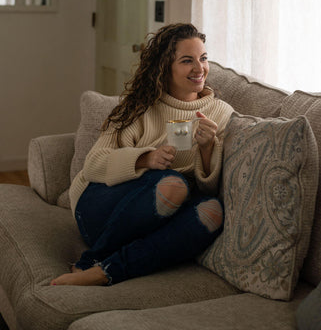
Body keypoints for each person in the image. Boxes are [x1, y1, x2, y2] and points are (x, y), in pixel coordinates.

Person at [50, 23, 234, 287]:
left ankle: (107, 271)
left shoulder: (220, 113)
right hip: (99, 208)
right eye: (187, 61)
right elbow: (92, 166)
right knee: (173, 184)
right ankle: (91, 260)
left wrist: (207, 149)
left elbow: (210, 189)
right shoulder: (139, 107)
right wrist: (145, 159)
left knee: (212, 211)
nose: (199, 68)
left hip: (164, 212)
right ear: (164, 67)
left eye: (203, 58)